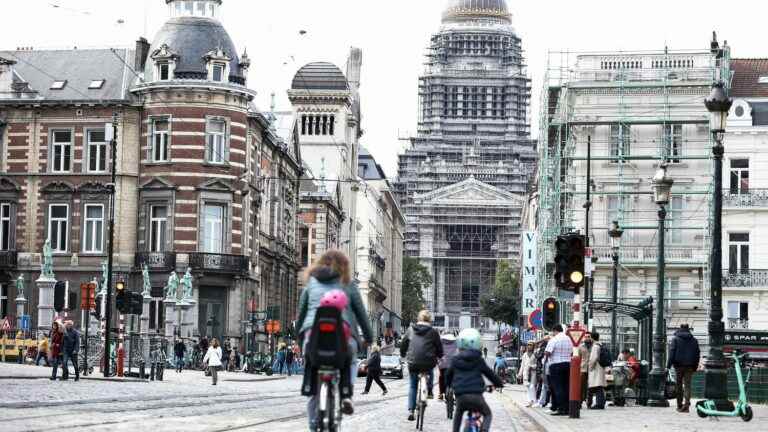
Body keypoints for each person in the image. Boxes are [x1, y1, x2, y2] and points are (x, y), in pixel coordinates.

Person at [296, 250, 373, 429]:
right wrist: (368, 338)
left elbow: (301, 316)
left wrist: (301, 341)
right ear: (344, 266)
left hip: (313, 335)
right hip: (342, 337)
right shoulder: (348, 284)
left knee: (314, 383)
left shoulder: (311, 283)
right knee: (351, 358)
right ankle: (346, 394)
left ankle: (313, 425)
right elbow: (362, 315)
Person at [446, 328, 505, 432]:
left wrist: (450, 385)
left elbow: (448, 375)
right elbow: (490, 374)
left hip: (461, 397)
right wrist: (499, 383)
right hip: (476, 397)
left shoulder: (455, 360)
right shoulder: (478, 360)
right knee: (487, 414)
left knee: (458, 414)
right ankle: (484, 430)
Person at [400, 309, 443, 421]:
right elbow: (439, 348)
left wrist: (403, 354)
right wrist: (439, 355)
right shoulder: (433, 332)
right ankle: (429, 390)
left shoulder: (410, 330)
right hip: (428, 362)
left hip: (413, 362)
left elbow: (404, 344)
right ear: (430, 320)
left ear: (418, 319)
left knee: (413, 385)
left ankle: (411, 410)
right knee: (430, 370)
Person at [667, 323, 700, 413]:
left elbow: (672, 353)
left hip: (678, 366)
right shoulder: (694, 340)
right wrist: (695, 366)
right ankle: (687, 404)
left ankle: (679, 405)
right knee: (688, 385)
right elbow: (697, 355)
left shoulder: (675, 339)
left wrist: (668, 365)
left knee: (679, 385)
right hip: (689, 366)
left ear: (680, 329)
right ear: (688, 329)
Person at [545, 324, 572, 416]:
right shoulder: (569, 339)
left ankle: (560, 408)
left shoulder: (554, 339)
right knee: (566, 387)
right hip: (568, 364)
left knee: (558, 387)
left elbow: (548, 352)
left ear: (555, 330)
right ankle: (567, 408)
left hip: (556, 364)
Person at [587, 332, 607, 409]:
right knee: (599, 386)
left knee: (598, 386)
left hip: (596, 368)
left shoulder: (595, 346)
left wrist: (590, 367)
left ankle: (599, 404)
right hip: (601, 367)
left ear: (592, 338)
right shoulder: (601, 344)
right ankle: (600, 403)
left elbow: (593, 358)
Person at [437, 332, 458, 400]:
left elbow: (437, 352)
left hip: (443, 363)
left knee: (441, 377)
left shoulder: (440, 341)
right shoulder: (456, 342)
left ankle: (440, 394)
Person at [518, 341, 537, 407]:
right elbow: (522, 365)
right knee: (528, 387)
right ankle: (529, 401)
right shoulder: (524, 354)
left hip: (533, 373)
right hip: (526, 373)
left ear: (533, 346)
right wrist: (520, 374)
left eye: (531, 345)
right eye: (528, 345)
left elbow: (538, 364)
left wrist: (533, 366)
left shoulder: (535, 354)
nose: (529, 346)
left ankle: (534, 401)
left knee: (532, 387)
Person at [535, 336, 552, 408]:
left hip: (547, 369)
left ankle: (546, 401)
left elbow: (539, 357)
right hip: (544, 369)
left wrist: (536, 352)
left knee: (546, 386)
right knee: (544, 386)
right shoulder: (544, 348)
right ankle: (542, 401)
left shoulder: (543, 348)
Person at [579, 333, 593, 404]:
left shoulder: (594, 346)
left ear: (591, 338)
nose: (587, 338)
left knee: (591, 386)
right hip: (583, 368)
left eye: (588, 337)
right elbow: (578, 357)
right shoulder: (581, 346)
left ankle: (589, 402)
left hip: (591, 368)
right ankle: (580, 401)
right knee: (581, 386)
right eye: (586, 337)